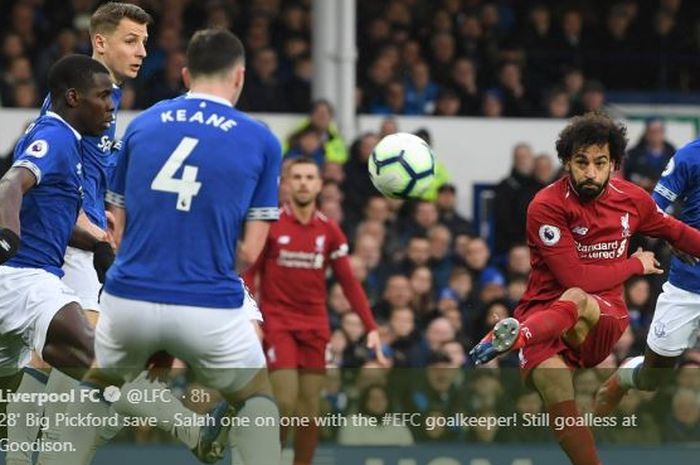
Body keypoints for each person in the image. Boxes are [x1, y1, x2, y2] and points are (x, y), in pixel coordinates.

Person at [38, 29, 282, 465]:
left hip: (133, 288)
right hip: (208, 291)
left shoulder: (142, 125)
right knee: (255, 399)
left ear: (186, 74)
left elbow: (117, 227)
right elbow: (249, 252)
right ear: (240, 77)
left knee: (96, 389)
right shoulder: (260, 138)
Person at [8, 4, 225, 465]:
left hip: (86, 246)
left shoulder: (108, 101)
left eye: (145, 42)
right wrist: (87, 230)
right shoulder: (68, 107)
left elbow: (97, 176)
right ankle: (189, 427)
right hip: (64, 249)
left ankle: (35, 456)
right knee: (90, 360)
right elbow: (42, 183)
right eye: (131, 40)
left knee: (71, 368)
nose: (142, 51)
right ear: (99, 42)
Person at [469, 113, 700, 465]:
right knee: (557, 394)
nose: (590, 172)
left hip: (600, 317)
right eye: (581, 162)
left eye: (600, 162)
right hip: (544, 314)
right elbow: (574, 275)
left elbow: (678, 232)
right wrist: (634, 265)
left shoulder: (632, 199)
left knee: (577, 298)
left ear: (614, 164)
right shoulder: (545, 206)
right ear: (566, 162)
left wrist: (638, 263)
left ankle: (514, 338)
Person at [243, 156, 384, 465]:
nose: (304, 182)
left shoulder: (330, 231)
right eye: (298, 177)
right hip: (278, 324)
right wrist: (249, 317)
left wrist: (371, 327)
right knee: (284, 399)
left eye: (310, 177)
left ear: (320, 184)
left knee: (310, 408)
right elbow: (249, 273)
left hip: (315, 326)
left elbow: (349, 283)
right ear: (287, 184)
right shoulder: (272, 224)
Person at [0, 55, 113, 437]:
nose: (111, 106)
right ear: (73, 98)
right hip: (26, 278)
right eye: (103, 96)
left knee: (14, 394)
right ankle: (192, 429)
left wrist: (97, 243)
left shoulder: (70, 142)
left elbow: (51, 218)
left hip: (16, 283)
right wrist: (6, 232)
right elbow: (11, 183)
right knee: (96, 358)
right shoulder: (57, 137)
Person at [595, 135, 700, 415]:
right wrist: (674, 237)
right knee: (653, 377)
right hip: (688, 284)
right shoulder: (690, 156)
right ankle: (624, 375)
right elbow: (651, 209)